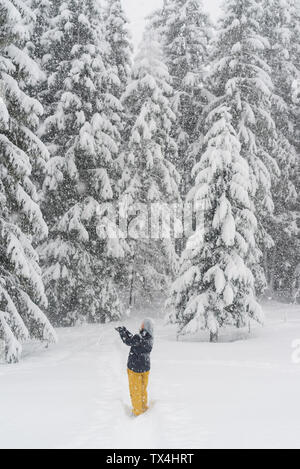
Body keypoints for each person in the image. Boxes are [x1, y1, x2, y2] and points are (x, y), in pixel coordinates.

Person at [116, 318, 154, 416]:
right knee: (142, 390)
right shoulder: (149, 338)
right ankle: (144, 408)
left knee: (135, 390)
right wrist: (125, 331)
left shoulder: (140, 337)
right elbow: (133, 339)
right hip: (145, 368)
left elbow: (129, 341)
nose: (140, 325)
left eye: (142, 324)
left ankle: (137, 412)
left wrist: (122, 332)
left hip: (135, 369)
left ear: (145, 326)